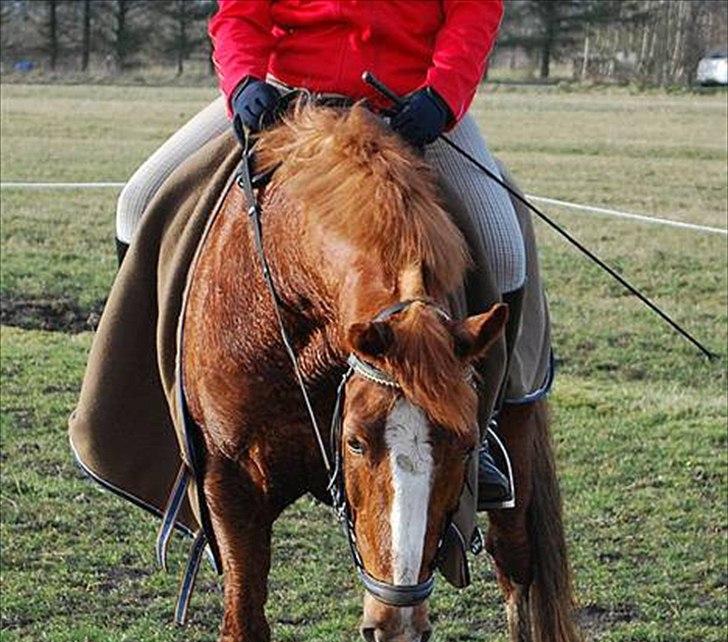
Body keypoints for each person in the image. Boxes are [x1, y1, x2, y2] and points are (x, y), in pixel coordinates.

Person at [115, 0, 527, 507]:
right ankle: (162, 401)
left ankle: (481, 426)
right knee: (137, 202)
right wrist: (243, 83)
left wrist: (441, 98)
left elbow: (474, 12)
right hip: (289, 102)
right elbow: (238, 13)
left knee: (504, 250)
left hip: (407, 108)